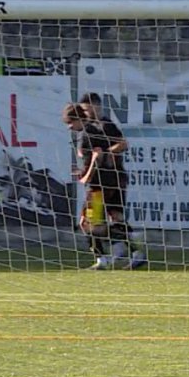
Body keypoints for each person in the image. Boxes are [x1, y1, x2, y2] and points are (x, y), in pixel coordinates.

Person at [78, 93, 146, 269]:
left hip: (102, 182)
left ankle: (104, 259)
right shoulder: (95, 126)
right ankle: (130, 250)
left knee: (89, 223)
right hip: (113, 180)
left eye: (87, 109)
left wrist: (105, 154)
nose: (85, 113)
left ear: (96, 106)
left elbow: (122, 143)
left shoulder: (101, 126)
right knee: (115, 217)